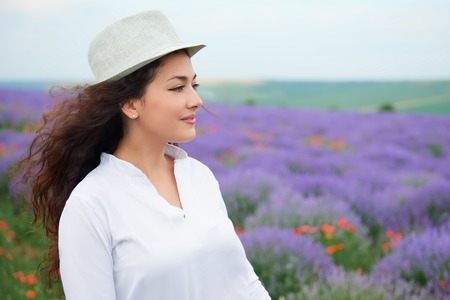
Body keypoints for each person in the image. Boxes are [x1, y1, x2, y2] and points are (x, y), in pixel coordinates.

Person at [19, 10, 271, 300]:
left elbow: (244, 283)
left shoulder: (199, 176)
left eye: (194, 84)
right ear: (130, 104)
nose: (196, 100)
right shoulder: (91, 204)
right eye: (178, 87)